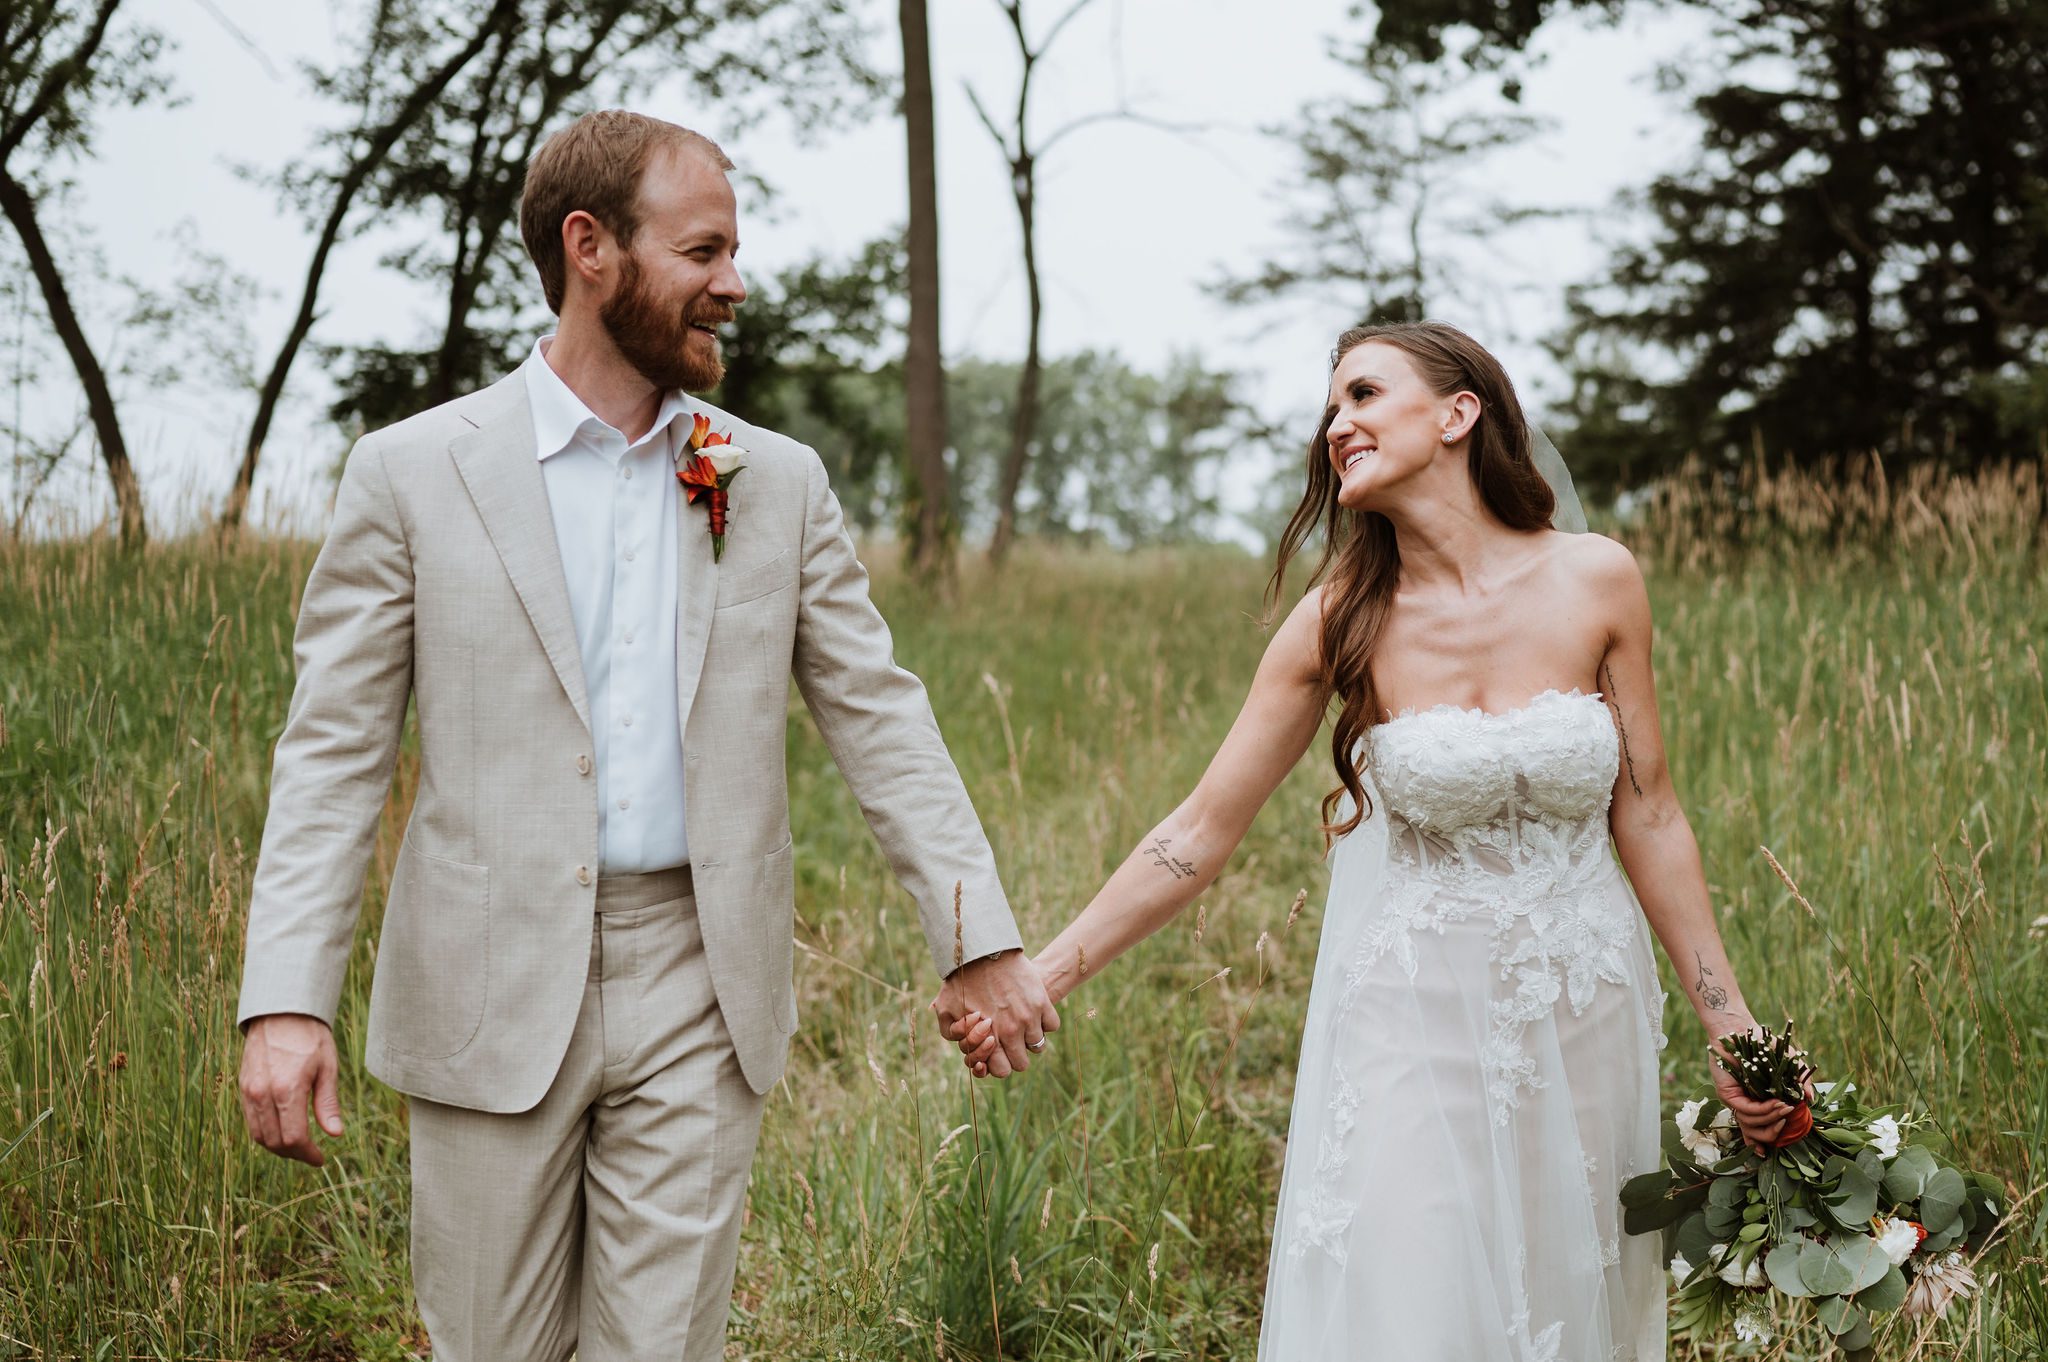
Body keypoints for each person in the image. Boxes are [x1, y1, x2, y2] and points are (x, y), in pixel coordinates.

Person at [234, 109, 1057, 1362]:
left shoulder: (769, 480)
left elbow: (880, 715)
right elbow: (331, 755)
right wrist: (286, 1000)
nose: (734, 283)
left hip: (700, 974)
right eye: (703, 250)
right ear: (591, 249)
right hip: (483, 976)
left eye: (734, 251)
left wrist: (974, 934)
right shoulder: (408, 474)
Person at [943, 321, 1798, 1360]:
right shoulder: (1336, 618)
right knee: (1418, 1294)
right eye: (1330, 406)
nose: (1334, 424)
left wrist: (1729, 1026)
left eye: (1361, 395)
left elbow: (1649, 813)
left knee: (1564, 1291)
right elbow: (1197, 833)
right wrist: (1044, 973)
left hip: (1584, 1003)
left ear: (1456, 413)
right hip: (1411, 1016)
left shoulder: (1596, 579)